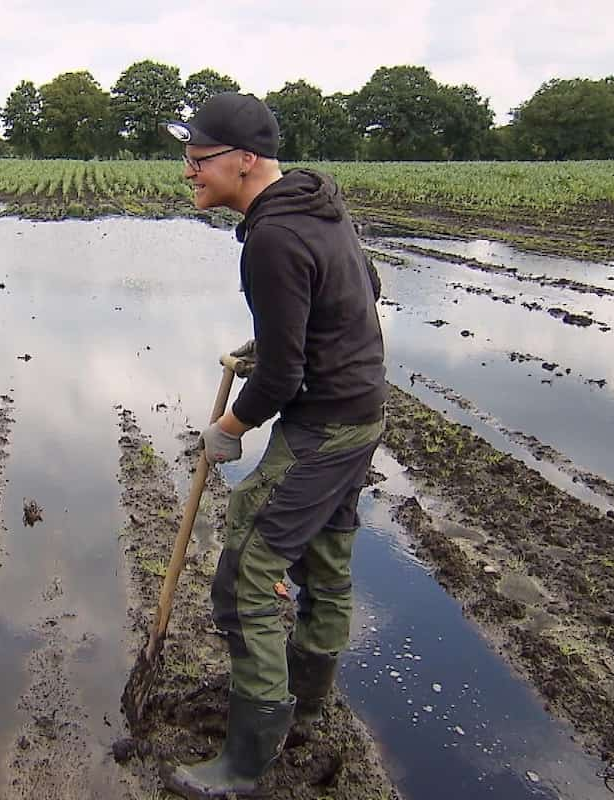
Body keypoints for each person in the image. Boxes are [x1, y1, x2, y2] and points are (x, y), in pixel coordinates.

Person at [159, 94, 387, 798]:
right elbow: (364, 286)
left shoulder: (273, 237)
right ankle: (310, 703)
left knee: (246, 578)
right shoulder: (316, 204)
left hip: (322, 427)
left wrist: (229, 430)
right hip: (361, 412)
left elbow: (285, 378)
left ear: (244, 162)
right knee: (325, 558)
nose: (189, 172)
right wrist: (275, 340)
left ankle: (246, 761)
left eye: (199, 161)